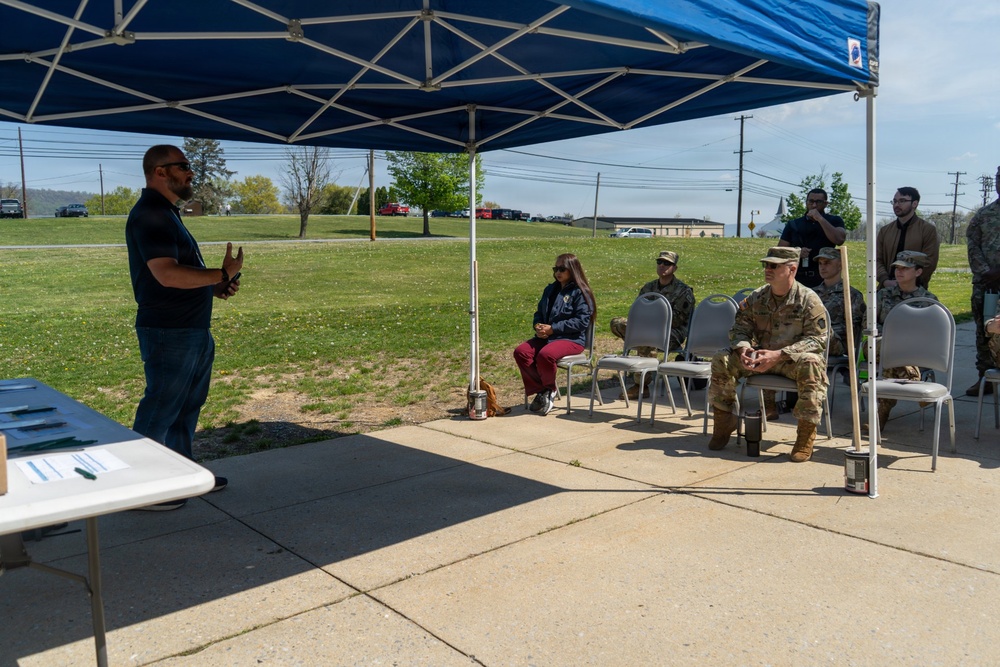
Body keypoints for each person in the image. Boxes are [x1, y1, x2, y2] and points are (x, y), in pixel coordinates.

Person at [126, 144, 244, 510]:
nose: (191, 173)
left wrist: (215, 285)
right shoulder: (151, 215)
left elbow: (179, 271)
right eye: (183, 166)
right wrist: (222, 273)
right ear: (160, 172)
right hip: (169, 331)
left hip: (190, 328)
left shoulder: (167, 212)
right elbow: (167, 274)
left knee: (185, 407)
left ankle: (180, 474)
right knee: (161, 407)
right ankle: (139, 488)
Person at [707, 247, 828, 462]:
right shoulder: (758, 297)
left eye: (774, 265)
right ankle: (724, 421)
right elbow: (739, 328)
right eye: (766, 265)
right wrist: (744, 349)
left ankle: (805, 435)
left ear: (792, 269)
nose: (767, 269)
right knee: (722, 358)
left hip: (791, 361)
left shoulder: (809, 300)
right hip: (760, 359)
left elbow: (818, 340)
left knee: (812, 362)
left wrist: (780, 354)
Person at [514, 253, 595, 416]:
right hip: (548, 337)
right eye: (555, 268)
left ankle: (549, 390)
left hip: (572, 340)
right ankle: (543, 390)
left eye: (562, 269)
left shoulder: (581, 292)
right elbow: (539, 313)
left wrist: (553, 329)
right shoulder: (550, 289)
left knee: (546, 355)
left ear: (573, 270)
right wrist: (538, 326)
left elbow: (581, 322)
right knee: (521, 352)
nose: (558, 272)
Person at [609, 250, 695, 398]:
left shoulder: (683, 291)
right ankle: (644, 359)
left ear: (675, 268)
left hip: (671, 333)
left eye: (667, 263)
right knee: (617, 323)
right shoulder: (648, 288)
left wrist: (648, 322)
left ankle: (641, 385)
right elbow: (637, 310)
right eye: (659, 262)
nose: (662, 266)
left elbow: (676, 321)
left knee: (647, 336)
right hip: (648, 328)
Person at [870, 251, 938, 432]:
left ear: (918, 272)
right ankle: (912, 378)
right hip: (880, 346)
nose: (898, 272)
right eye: (897, 268)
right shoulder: (883, 295)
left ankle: (880, 415)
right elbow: (869, 324)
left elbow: (931, 336)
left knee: (890, 363)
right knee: (886, 345)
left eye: (905, 268)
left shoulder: (928, 301)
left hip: (912, 353)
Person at [965, 166, 1000, 396]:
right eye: (999, 178)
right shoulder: (984, 214)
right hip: (986, 285)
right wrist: (986, 271)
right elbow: (972, 244)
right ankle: (985, 376)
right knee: (983, 331)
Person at [777, 188, 847, 288]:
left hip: (824, 279)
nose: (814, 205)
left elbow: (839, 239)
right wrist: (796, 253)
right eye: (811, 201)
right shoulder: (794, 224)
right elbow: (779, 252)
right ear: (806, 202)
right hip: (798, 278)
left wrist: (820, 219)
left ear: (825, 203)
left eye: (818, 202)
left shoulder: (834, 221)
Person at [876, 187, 940, 289]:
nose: (897, 205)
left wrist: (908, 283)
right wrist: (885, 280)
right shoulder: (885, 231)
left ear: (915, 203)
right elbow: (877, 260)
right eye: (895, 201)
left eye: (902, 201)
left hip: (915, 291)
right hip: (886, 290)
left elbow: (929, 262)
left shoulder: (927, 230)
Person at [812, 247, 865, 358]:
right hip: (812, 338)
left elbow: (853, 329)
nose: (822, 267)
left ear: (840, 265)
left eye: (827, 263)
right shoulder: (812, 293)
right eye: (820, 263)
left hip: (837, 343)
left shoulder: (852, 295)